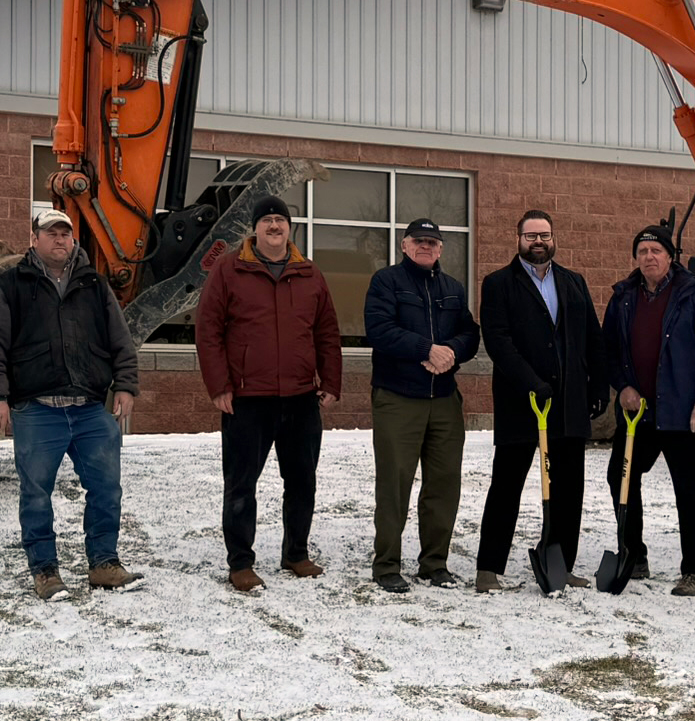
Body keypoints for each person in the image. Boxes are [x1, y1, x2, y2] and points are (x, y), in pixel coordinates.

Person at [0, 207, 141, 602]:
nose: (59, 239)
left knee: (106, 489)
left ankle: (103, 563)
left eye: (65, 233)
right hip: (37, 410)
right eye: (51, 233)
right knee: (35, 493)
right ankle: (44, 570)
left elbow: (121, 340)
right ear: (34, 240)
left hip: (89, 409)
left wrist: (126, 386)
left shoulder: (95, 286)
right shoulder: (9, 285)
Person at [195, 196, 342, 594]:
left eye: (281, 219)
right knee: (241, 483)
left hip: (299, 398)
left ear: (289, 227)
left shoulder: (309, 274)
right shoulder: (229, 269)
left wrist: (330, 381)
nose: (274, 226)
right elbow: (208, 331)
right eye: (267, 220)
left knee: (301, 481)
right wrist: (219, 386)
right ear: (255, 229)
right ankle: (241, 562)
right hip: (247, 399)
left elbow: (326, 332)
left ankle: (296, 553)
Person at [603, 225, 695, 597]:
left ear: (670, 256)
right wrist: (624, 386)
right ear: (636, 258)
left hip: (682, 413)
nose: (649, 257)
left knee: (687, 492)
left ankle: (694, 570)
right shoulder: (623, 296)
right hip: (638, 414)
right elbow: (609, 350)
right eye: (643, 251)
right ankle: (634, 554)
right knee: (621, 478)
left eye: (656, 251)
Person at [476, 210, 606, 593]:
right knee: (507, 485)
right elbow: (498, 341)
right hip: (522, 403)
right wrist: (531, 382)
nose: (538, 242)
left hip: (567, 405)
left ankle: (560, 563)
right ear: (518, 238)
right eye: (531, 235)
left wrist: (599, 386)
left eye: (544, 235)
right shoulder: (499, 283)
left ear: (553, 238)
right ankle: (488, 568)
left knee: (569, 488)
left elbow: (592, 338)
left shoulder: (573, 282)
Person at [364, 217, 481, 593]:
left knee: (444, 485)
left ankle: (434, 564)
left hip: (444, 399)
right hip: (398, 397)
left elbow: (470, 334)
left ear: (442, 249)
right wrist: (425, 349)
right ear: (404, 244)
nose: (425, 247)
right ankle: (387, 566)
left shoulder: (452, 288)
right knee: (395, 484)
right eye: (419, 241)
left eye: (432, 242)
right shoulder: (387, 282)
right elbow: (379, 330)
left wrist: (450, 354)